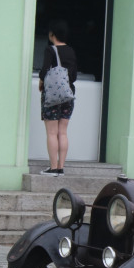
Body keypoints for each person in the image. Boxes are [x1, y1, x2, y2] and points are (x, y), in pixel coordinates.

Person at [38, 20, 78, 175]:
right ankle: (61, 167)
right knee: (63, 132)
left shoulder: (50, 50)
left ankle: (53, 168)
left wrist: (42, 81)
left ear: (52, 34)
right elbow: (73, 76)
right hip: (68, 95)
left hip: (52, 97)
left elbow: (43, 71)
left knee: (51, 133)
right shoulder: (71, 51)